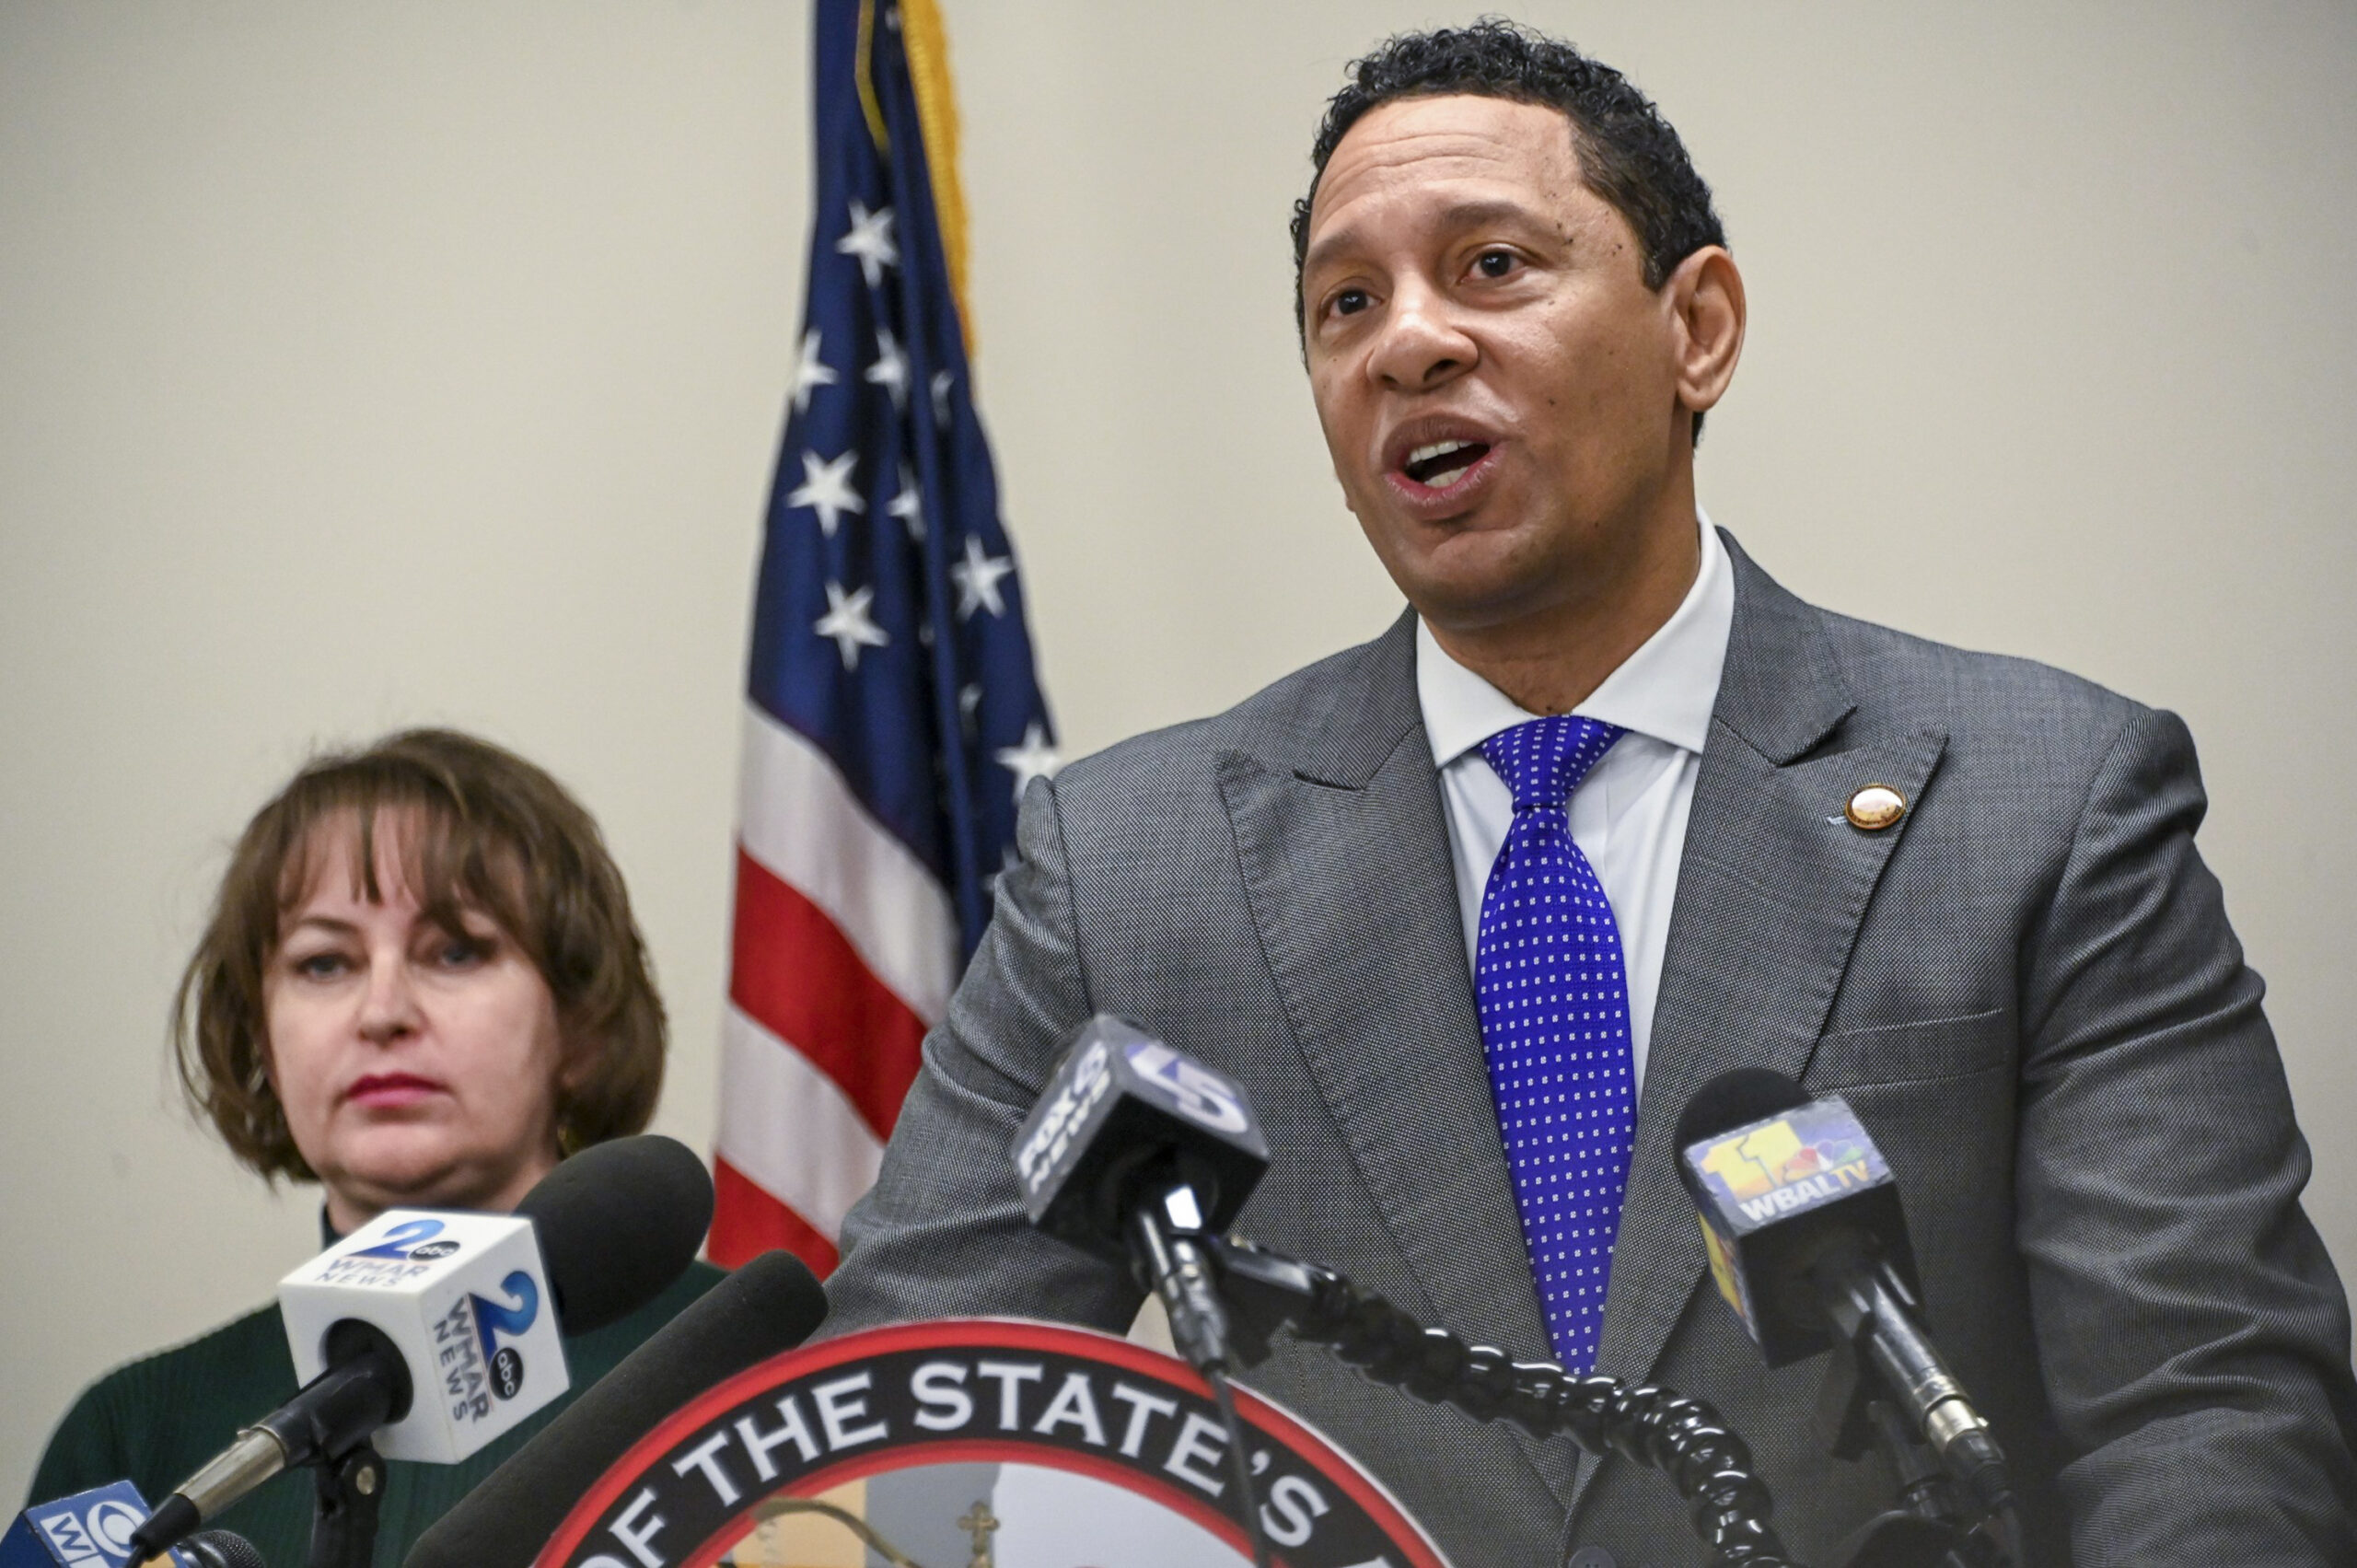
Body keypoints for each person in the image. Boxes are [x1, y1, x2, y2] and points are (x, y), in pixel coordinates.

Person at [819, 19, 2357, 1568]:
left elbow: (2204, 1403)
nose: (1406, 342)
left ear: (1699, 326)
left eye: (1490, 266)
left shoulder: (2043, 803)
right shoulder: (1132, 866)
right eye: (1345, 302)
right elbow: (898, 1416)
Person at [29, 728, 725, 1566]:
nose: (382, 1009)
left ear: (577, 1025)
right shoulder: (135, 1435)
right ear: (263, 1037)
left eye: (455, 950)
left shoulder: (752, 1356)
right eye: (325, 963)